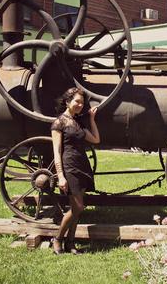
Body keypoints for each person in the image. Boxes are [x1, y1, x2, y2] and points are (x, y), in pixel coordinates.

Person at [51, 87, 100, 254]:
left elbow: (95, 139)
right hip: (69, 166)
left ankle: (70, 243)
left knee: (76, 208)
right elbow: (57, 151)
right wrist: (60, 176)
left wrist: (92, 119)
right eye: (76, 101)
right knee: (78, 206)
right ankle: (57, 240)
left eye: (82, 102)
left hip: (82, 165)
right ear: (67, 102)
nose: (80, 104)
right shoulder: (59, 123)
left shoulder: (78, 122)